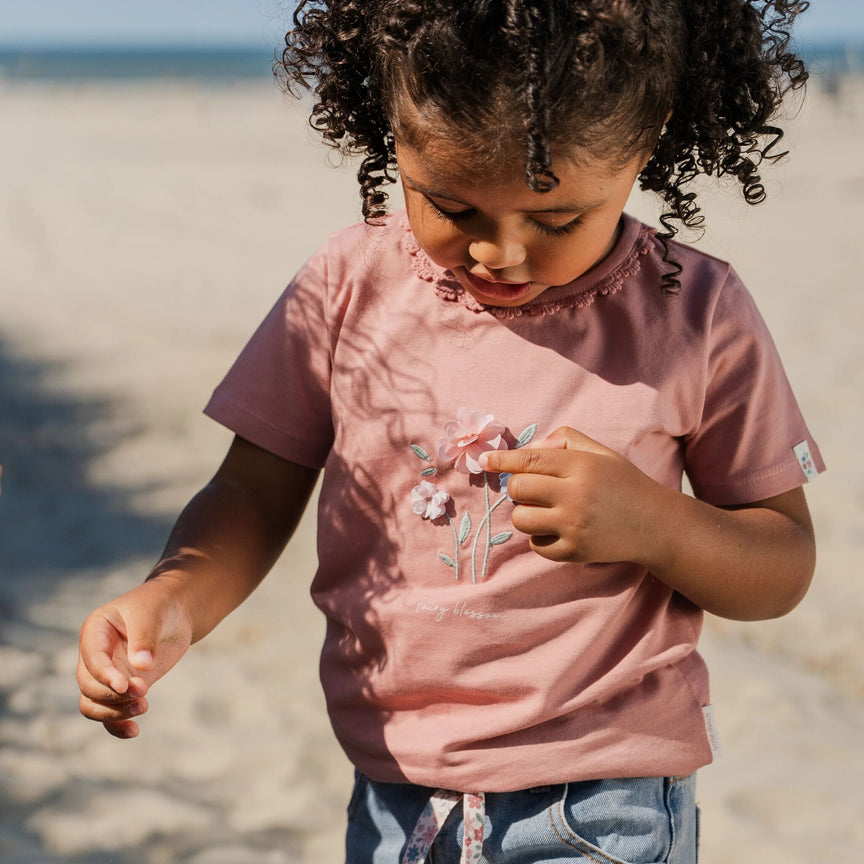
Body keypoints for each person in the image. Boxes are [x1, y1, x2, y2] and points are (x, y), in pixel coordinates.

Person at [77, 2, 824, 861]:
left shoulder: (696, 313)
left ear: (646, 143)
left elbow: (782, 563)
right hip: (394, 798)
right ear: (396, 128)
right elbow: (252, 487)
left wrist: (654, 523)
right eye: (453, 208)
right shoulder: (345, 284)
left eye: (555, 221)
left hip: (602, 807)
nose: (499, 255)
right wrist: (173, 601)